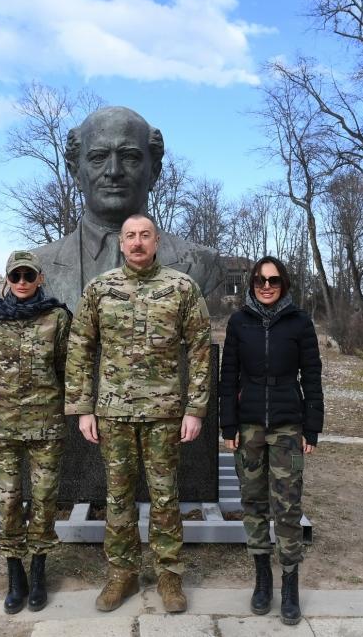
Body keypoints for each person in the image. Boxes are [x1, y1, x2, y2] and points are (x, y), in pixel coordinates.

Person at [65, 214, 211, 614]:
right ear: (121, 243)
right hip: (113, 413)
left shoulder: (181, 288)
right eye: (130, 236)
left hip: (164, 413)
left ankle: (168, 575)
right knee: (118, 497)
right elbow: (81, 348)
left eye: (145, 235)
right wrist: (82, 409)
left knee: (165, 496)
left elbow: (200, 350)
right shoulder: (100, 289)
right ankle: (122, 575)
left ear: (156, 241)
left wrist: (195, 409)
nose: (137, 242)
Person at [33, 106, 223, 313]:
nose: (113, 171)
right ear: (76, 173)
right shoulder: (34, 267)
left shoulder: (203, 262)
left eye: (130, 157)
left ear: (154, 172)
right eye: (98, 157)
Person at [219, 256, 324, 624]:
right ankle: (262, 578)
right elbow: (228, 375)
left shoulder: (299, 322)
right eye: (261, 280)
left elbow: (312, 376)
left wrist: (312, 428)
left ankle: (290, 583)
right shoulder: (238, 322)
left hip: (287, 427)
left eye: (274, 280)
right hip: (248, 427)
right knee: (253, 503)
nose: (267, 286)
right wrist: (227, 426)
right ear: (251, 284)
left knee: (288, 507)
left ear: (284, 284)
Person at [0, 250, 71, 614]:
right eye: (17, 277)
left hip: (47, 424)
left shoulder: (58, 317)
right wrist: (5, 400)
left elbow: (66, 366)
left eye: (29, 275)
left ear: (40, 278)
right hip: (4, 426)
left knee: (44, 500)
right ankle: (15, 573)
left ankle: (40, 570)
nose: (23, 282)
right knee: (9, 499)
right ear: (8, 280)